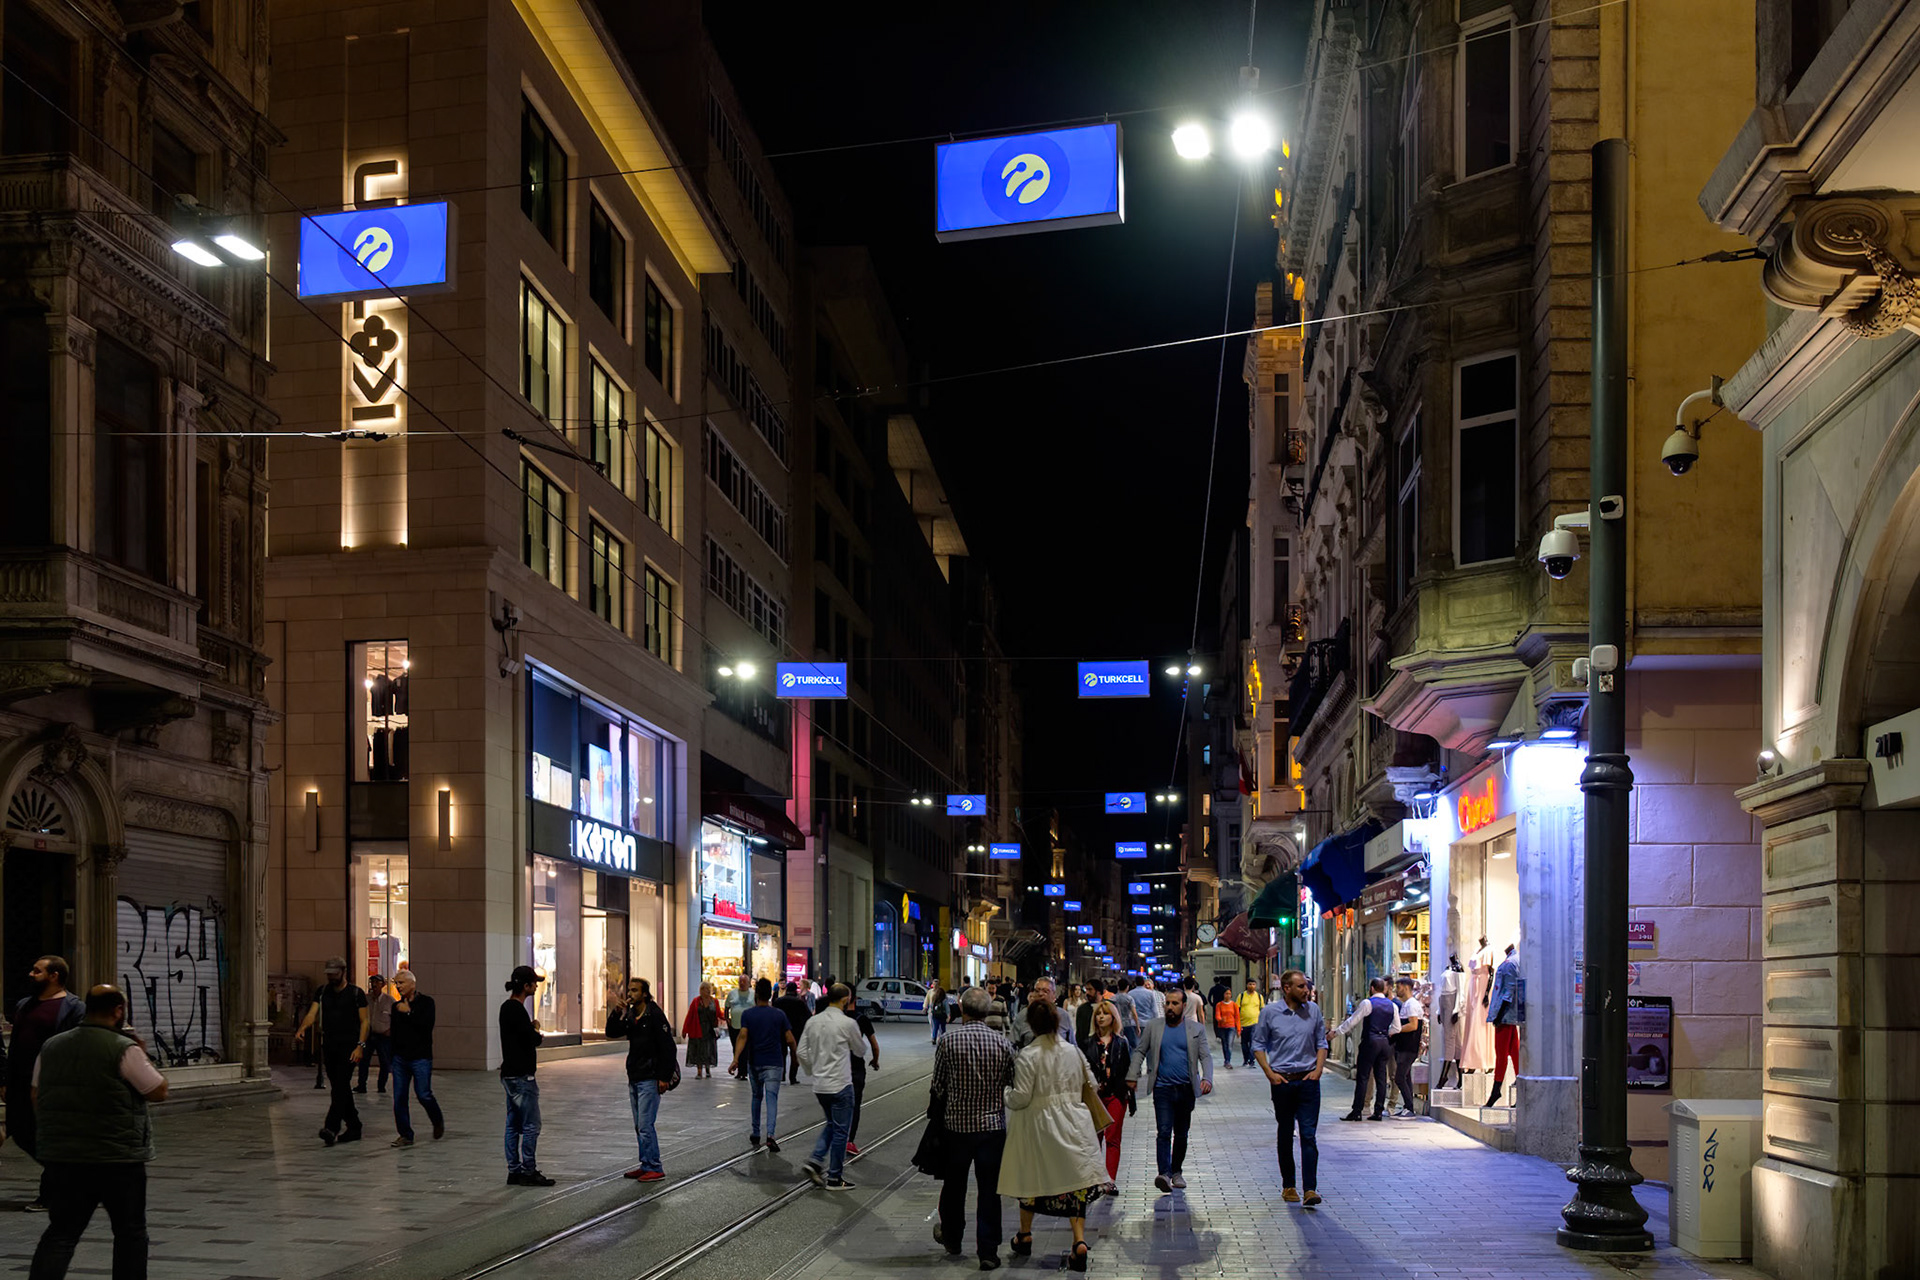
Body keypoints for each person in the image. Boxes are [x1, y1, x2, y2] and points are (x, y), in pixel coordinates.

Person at [23, 984, 167, 1280]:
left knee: (61, 1233)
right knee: (130, 1233)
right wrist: (142, 1053)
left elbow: (36, 1094)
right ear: (118, 1011)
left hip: (65, 1158)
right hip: (118, 1160)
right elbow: (158, 1091)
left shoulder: (52, 1046)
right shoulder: (123, 1048)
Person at [1000, 1000, 1105, 1273]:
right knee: (1075, 1184)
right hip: (1074, 1124)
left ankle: (1025, 1235)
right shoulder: (1073, 1051)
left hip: (1039, 1127)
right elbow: (1091, 1084)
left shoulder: (1028, 1055)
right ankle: (1079, 1240)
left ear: (1031, 1025)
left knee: (1032, 1180)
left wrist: (1005, 1095)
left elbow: (1021, 1097)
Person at [931, 986, 1017, 1270]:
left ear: (962, 1009)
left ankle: (953, 1239)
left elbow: (938, 1086)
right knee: (990, 1190)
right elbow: (1011, 1082)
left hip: (956, 1128)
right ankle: (988, 1251)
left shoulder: (948, 1042)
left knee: (954, 1186)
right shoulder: (1002, 1043)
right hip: (992, 1128)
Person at [7, 956, 84, 1211]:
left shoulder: (74, 1008)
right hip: (20, 1082)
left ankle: (50, 1194)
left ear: (54, 976)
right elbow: (16, 1045)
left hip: (52, 1084)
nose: (31, 974)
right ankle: (69, 1173)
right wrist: (6, 1080)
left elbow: (76, 1047)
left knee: (50, 1137)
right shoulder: (24, 1005)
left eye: (37, 971)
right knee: (20, 1131)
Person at [1251, 969, 1329, 1207]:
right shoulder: (1270, 1013)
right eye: (1301, 987)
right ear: (1287, 989)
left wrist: (1317, 1070)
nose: (1307, 990)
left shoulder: (1313, 1011)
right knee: (1285, 1133)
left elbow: (1321, 1043)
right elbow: (1258, 1044)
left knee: (1308, 1135)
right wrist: (1270, 1073)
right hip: (1282, 1082)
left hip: (1308, 1081)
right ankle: (1289, 1185)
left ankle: (1310, 1189)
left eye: (1306, 986)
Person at [1126, 986, 1213, 1193]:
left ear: (1184, 1005)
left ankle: (1176, 1171)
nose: (1170, 1007)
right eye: (1167, 1003)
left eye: (1175, 1003)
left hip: (1185, 1089)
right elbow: (1140, 1051)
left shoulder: (1195, 1029)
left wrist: (1207, 1078)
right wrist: (1132, 1074)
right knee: (1164, 1131)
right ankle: (1164, 1173)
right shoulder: (1154, 1027)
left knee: (1181, 1133)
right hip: (1162, 1088)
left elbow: (1205, 1056)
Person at [796, 983, 866, 1190]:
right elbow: (860, 1050)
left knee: (832, 1124)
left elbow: (801, 1052)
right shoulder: (848, 1023)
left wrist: (812, 1071)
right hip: (841, 1084)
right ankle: (835, 1177)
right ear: (845, 1000)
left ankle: (815, 1161)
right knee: (840, 1132)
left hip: (820, 1086)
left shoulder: (813, 1021)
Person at [293, 957, 368, 1147]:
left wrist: (360, 1046)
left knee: (341, 1084)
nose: (331, 977)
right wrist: (303, 1028)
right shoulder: (322, 991)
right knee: (339, 1087)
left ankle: (331, 1128)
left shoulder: (356, 993)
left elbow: (365, 1021)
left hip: (349, 1046)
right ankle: (354, 1126)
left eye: (335, 974)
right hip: (330, 1045)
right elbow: (312, 1013)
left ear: (343, 972)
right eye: (329, 974)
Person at [607, 976, 676, 1181]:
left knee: (646, 1124)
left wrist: (664, 1077)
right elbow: (611, 1032)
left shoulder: (654, 1014)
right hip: (635, 1074)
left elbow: (668, 1047)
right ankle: (646, 1164)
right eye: (629, 990)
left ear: (644, 993)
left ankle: (655, 1166)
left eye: (635, 991)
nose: (630, 994)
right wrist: (617, 1012)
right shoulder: (630, 1015)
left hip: (650, 1076)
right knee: (639, 1124)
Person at [499, 965, 552, 1186]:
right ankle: (529, 1170)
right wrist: (536, 1029)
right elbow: (532, 1039)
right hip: (522, 1076)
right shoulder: (517, 1009)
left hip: (509, 1074)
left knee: (513, 1124)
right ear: (526, 986)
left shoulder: (506, 1008)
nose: (537, 986)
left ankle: (514, 1170)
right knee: (531, 1125)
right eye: (534, 983)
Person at [734, 978, 796, 1152]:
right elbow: (790, 1039)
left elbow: (743, 1037)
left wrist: (736, 1059)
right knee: (771, 1098)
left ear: (756, 995)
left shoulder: (748, 1015)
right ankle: (770, 1134)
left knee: (756, 1097)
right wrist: (796, 1058)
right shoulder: (779, 1014)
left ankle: (755, 1132)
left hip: (755, 1062)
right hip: (775, 1063)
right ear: (770, 995)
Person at [388, 969, 444, 1146]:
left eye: (401, 983)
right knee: (399, 1097)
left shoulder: (426, 1003)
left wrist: (409, 1013)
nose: (398, 987)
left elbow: (426, 1027)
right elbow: (394, 1032)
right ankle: (405, 1134)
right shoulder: (395, 1007)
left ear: (412, 983)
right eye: (396, 983)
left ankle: (437, 1121)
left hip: (420, 1057)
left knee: (423, 1094)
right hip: (400, 1058)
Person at [1081, 999, 1132, 1191]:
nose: (1101, 1017)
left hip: (1116, 1095)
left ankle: (1110, 1180)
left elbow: (1128, 1069)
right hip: (1095, 1097)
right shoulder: (1087, 1043)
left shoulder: (1122, 1043)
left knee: (1113, 1138)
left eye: (1105, 1014)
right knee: (1094, 1138)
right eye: (1098, 1014)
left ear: (1113, 1018)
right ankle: (1095, 1179)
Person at [1339, 978, 1398, 1122]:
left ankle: (1357, 1111)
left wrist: (1337, 1031)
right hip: (1385, 1043)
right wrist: (1385, 1033)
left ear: (1371, 988)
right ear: (1384, 989)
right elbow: (1397, 1028)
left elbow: (1353, 1021)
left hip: (1370, 1042)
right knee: (1381, 1078)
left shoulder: (1368, 1003)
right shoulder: (1392, 1005)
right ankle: (1378, 1112)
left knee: (1363, 1076)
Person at [1486, 944, 1522, 1108]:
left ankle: (1496, 1090)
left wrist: (1498, 1015)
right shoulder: (1515, 960)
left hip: (1505, 1015)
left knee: (1501, 1054)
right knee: (1515, 1052)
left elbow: (1508, 991)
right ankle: (1520, 1090)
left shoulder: (1509, 963)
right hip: (1509, 1014)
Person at [846, 1000, 880, 1155]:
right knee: (855, 1105)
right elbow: (874, 1044)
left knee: (838, 1105)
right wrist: (875, 1060)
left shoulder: (836, 1018)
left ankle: (836, 1139)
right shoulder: (861, 1019)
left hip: (837, 1068)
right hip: (856, 1068)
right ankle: (849, 1141)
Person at [354, 973, 394, 1095]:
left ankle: (381, 1086)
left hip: (383, 1036)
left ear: (383, 984)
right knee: (363, 1060)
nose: (374, 985)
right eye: (372, 982)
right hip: (369, 1035)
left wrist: (390, 1031)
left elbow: (397, 1019)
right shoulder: (366, 999)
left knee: (384, 1062)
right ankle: (361, 1085)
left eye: (377, 982)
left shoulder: (390, 1001)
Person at [1391, 976, 1424, 1117]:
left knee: (1399, 1077)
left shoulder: (1411, 1004)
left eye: (1398, 987)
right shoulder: (1406, 1004)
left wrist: (1396, 1030)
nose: (1396, 990)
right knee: (1406, 1077)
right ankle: (1408, 1107)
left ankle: (1409, 1107)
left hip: (1409, 1048)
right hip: (1404, 1047)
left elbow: (1413, 1025)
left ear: (1405, 987)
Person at [1012, 976, 1075, 1048]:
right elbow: (1012, 1045)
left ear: (1054, 995)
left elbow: (1072, 1045)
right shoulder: (1023, 1015)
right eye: (1037, 991)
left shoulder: (1063, 1016)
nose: (1040, 994)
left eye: (1045, 991)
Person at [773, 981, 812, 1084]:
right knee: (795, 1053)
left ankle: (782, 1075)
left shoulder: (778, 1001)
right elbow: (807, 1016)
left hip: (781, 1030)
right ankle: (792, 1077)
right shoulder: (799, 1002)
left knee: (782, 1053)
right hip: (796, 1031)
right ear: (795, 990)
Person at [683, 982, 723, 1079]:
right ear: (701, 990)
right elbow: (690, 1016)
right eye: (705, 989)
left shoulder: (714, 1001)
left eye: (709, 989)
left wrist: (726, 1019)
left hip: (710, 1030)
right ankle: (699, 1071)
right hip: (697, 1028)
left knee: (709, 1049)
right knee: (698, 1050)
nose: (708, 991)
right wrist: (685, 1030)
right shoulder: (696, 1001)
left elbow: (719, 1013)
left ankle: (708, 1069)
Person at [723, 975, 756, 1079]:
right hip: (735, 1025)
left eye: (744, 982)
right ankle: (738, 1069)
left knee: (746, 1049)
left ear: (748, 983)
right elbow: (727, 1007)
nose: (742, 984)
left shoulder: (753, 994)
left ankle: (744, 1071)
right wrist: (727, 1019)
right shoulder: (732, 993)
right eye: (740, 982)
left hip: (748, 1026)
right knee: (736, 1047)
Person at [1238, 981, 1265, 1068]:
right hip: (1243, 1024)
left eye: (1253, 984)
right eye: (1250, 984)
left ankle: (1251, 1060)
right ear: (1247, 985)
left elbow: (1262, 1010)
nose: (1252, 986)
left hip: (1255, 1023)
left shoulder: (1259, 997)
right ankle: (1246, 1060)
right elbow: (1237, 1009)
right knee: (1244, 1043)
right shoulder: (1241, 996)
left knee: (1253, 1042)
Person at [1212, 989, 1239, 1068]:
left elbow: (1237, 1017)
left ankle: (1228, 1061)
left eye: (1229, 994)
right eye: (1226, 993)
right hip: (1222, 1027)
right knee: (1224, 1044)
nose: (1228, 995)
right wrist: (1220, 1019)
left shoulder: (1234, 1005)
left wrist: (1238, 1029)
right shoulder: (1219, 1005)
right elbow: (1217, 1015)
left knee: (1229, 1044)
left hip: (1231, 1026)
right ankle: (1226, 1059)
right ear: (1223, 995)